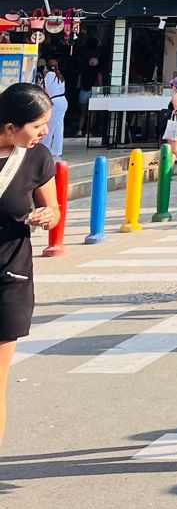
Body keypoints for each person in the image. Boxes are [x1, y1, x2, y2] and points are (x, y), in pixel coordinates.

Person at [0, 83, 59, 447]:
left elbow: (53, 211)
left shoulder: (38, 158)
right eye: (38, 126)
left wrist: (46, 216)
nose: (45, 132)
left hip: (10, 278)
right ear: (9, 128)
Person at [42, 60, 68, 159]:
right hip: (63, 101)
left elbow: (46, 89)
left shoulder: (49, 75)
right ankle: (57, 150)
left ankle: (44, 147)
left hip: (55, 102)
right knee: (58, 127)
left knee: (49, 125)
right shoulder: (60, 75)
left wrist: (44, 75)